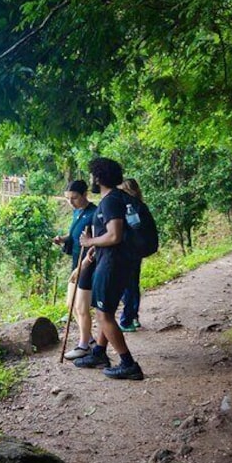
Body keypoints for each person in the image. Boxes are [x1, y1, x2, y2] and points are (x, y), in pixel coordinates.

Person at [74, 157, 144, 380]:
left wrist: (90, 243)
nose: (91, 180)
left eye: (93, 175)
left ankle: (128, 363)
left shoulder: (110, 200)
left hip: (113, 263)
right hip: (117, 260)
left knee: (103, 313)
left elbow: (114, 235)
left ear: (99, 177)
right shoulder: (119, 198)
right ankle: (99, 352)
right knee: (107, 310)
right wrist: (97, 246)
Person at [52, 180, 97, 360]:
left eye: (75, 198)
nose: (71, 202)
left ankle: (83, 345)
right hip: (76, 263)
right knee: (70, 304)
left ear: (85, 194)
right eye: (68, 199)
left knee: (81, 307)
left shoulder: (94, 214)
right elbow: (75, 235)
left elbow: (95, 246)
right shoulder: (78, 212)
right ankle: (91, 340)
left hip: (87, 265)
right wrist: (62, 239)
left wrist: (82, 266)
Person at [117, 178, 144, 332]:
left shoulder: (129, 207)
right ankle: (133, 317)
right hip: (137, 251)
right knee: (133, 285)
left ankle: (127, 320)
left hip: (128, 252)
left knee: (127, 287)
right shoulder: (140, 205)